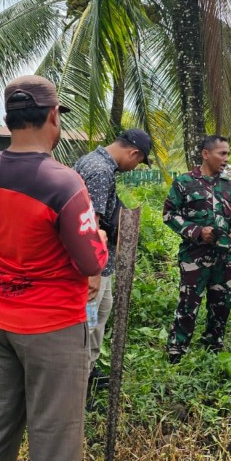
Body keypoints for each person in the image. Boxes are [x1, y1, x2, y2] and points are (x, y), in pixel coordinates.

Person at [0, 75, 107, 461]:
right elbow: (90, 261)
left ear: (10, 118)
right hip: (53, 326)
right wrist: (99, 240)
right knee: (55, 437)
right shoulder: (64, 182)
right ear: (52, 117)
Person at [73, 129, 152, 388]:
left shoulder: (92, 161)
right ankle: (80, 383)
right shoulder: (100, 171)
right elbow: (90, 225)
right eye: (139, 162)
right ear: (134, 153)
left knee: (100, 313)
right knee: (89, 323)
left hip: (102, 264)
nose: (134, 167)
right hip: (94, 267)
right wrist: (93, 273)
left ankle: (90, 369)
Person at [163, 135, 231, 363]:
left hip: (224, 256)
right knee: (188, 304)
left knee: (222, 303)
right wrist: (198, 231)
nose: (226, 158)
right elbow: (169, 215)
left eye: (228, 153)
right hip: (194, 256)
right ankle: (177, 350)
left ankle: (213, 344)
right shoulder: (184, 182)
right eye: (222, 153)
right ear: (206, 154)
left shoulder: (228, 185)